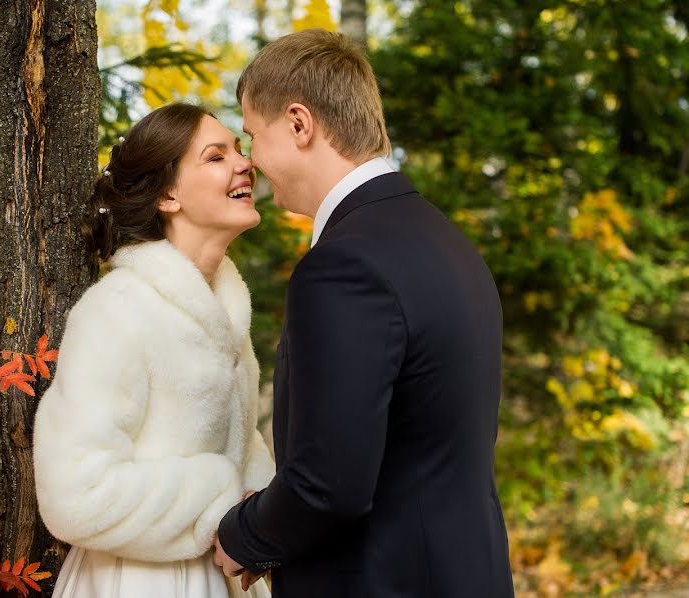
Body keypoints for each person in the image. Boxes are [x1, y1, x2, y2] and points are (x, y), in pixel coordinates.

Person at [213, 29, 515, 597]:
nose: (252, 163)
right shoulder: (444, 241)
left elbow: (330, 483)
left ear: (300, 124)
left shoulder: (345, 264)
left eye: (254, 135)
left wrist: (245, 535)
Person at [33, 103, 275, 598]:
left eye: (239, 148)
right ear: (168, 194)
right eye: (215, 156)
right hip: (137, 582)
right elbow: (73, 493)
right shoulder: (116, 311)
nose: (243, 163)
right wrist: (218, 499)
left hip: (225, 574)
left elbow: (242, 443)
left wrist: (261, 517)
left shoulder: (227, 309)